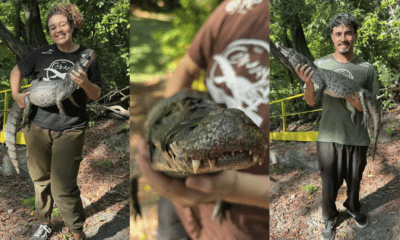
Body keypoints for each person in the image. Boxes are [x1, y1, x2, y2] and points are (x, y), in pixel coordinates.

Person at [135, 0, 269, 239]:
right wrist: (170, 123)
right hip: (181, 203)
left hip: (246, 228)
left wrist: (235, 188)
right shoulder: (238, 6)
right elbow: (187, 68)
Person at [9, 3, 102, 240]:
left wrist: (84, 83)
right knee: (40, 180)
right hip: (37, 127)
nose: (58, 30)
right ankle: (45, 223)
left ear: (72, 25)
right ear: (49, 32)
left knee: (63, 186)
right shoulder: (42, 54)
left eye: (62, 24)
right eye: (52, 27)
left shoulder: (87, 56)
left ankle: (76, 230)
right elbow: (16, 71)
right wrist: (16, 95)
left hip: (70, 128)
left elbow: (95, 94)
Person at [295, 12, 379, 240]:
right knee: (328, 182)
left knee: (355, 180)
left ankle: (353, 206)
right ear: (332, 37)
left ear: (355, 36)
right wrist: (308, 83)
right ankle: (329, 217)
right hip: (328, 136)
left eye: (348, 33)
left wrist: (354, 100)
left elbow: (371, 107)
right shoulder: (319, 64)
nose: (343, 38)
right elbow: (312, 101)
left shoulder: (367, 68)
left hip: (357, 135)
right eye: (338, 34)